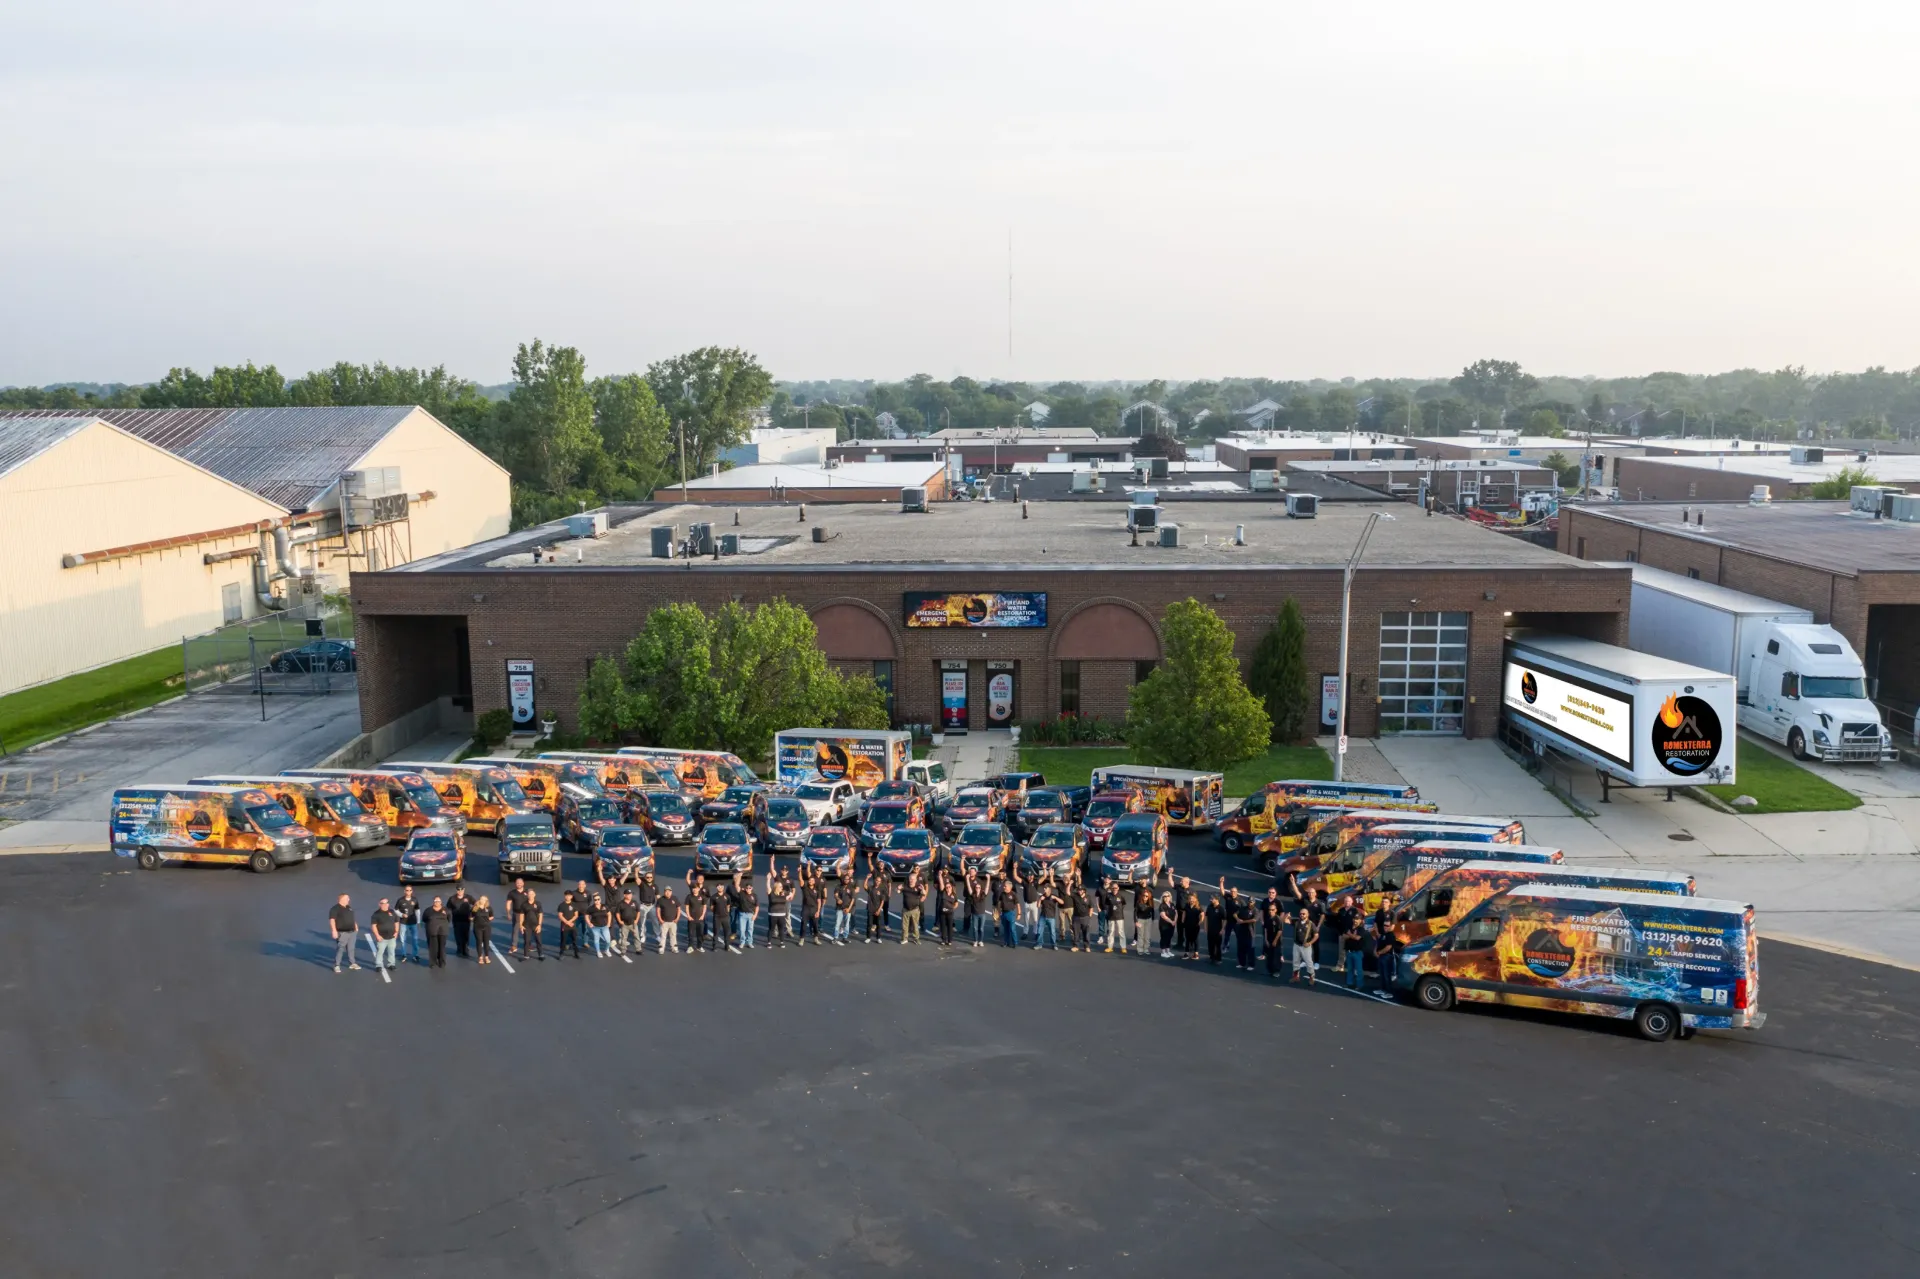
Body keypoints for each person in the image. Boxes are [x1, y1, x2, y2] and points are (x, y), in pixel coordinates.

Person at [328, 894, 360, 972]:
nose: (349, 900)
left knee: (351, 948)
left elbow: (352, 918)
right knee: (341, 948)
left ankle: (352, 963)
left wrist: (355, 926)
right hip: (342, 932)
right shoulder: (335, 909)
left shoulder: (349, 907)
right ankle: (337, 965)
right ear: (341, 899)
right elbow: (332, 920)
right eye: (347, 898)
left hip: (352, 932)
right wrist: (334, 930)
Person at [395, 886, 422, 965]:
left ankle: (415, 955)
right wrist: (401, 915)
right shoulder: (400, 900)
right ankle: (404, 955)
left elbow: (417, 910)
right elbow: (396, 910)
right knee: (403, 940)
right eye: (407, 890)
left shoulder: (415, 900)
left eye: (410, 890)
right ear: (404, 891)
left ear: (412, 891)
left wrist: (418, 921)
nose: (408, 892)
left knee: (415, 939)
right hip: (403, 923)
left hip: (413, 922)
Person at [369, 898, 398, 974]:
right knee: (380, 952)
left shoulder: (392, 912)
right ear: (379, 904)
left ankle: (391, 964)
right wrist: (377, 935)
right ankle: (379, 965)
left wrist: (396, 932)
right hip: (382, 937)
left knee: (391, 951)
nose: (385, 905)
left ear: (388, 904)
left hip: (392, 937)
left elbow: (396, 922)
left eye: (386, 903)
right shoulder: (376, 914)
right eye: (382, 903)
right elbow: (374, 926)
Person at [1291, 908, 1317, 985]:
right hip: (1296, 945)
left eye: (1303, 914)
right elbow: (1286, 921)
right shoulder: (1296, 922)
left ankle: (1311, 978)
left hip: (1306, 946)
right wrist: (1286, 917)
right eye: (1300, 914)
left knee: (1309, 963)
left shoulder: (1311, 924)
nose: (1302, 915)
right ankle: (1296, 977)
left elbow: (1316, 935)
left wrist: (1310, 943)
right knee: (1295, 961)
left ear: (1307, 914)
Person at [1233, 892, 1259, 971]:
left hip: (1250, 932)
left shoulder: (1255, 911)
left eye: (1251, 902)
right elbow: (1234, 914)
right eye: (1249, 901)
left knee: (1250, 949)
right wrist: (1237, 919)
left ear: (1254, 902)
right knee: (1241, 948)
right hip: (1241, 931)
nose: (1249, 903)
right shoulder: (1243, 908)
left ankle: (1251, 964)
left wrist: (1243, 921)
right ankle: (1242, 963)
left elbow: (1254, 920)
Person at [732, 873, 757, 952]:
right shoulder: (742, 894)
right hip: (742, 914)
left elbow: (757, 906)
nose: (748, 889)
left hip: (751, 914)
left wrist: (755, 915)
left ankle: (750, 942)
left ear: (752, 888)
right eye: (747, 888)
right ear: (745, 889)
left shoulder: (754, 896)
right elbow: (736, 885)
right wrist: (739, 876)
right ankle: (742, 942)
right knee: (742, 930)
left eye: (750, 888)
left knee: (750, 930)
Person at [518, 888, 545, 962]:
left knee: (538, 940)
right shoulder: (524, 904)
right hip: (527, 926)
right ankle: (526, 956)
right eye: (529, 894)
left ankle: (541, 955)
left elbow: (540, 915)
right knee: (527, 941)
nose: (531, 895)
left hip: (536, 925)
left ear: (535, 895)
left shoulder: (538, 903)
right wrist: (521, 925)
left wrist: (539, 925)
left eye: (532, 894)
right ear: (527, 895)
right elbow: (521, 915)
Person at [424, 896, 450, 969]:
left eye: (438, 901)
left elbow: (449, 919)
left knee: (442, 947)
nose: (437, 902)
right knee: (433, 948)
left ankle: (442, 962)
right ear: (433, 902)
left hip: (443, 931)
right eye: (435, 901)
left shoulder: (446, 910)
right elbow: (424, 919)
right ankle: (433, 962)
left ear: (441, 902)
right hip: (432, 931)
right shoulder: (428, 910)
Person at [448, 886, 475, 959]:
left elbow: (476, 905)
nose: (460, 891)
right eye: (458, 889)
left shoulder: (469, 897)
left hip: (466, 919)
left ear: (464, 890)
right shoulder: (452, 899)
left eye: (461, 889)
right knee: (458, 935)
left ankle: (465, 950)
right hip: (456, 920)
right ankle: (459, 949)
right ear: (456, 890)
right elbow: (448, 908)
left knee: (466, 935)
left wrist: (473, 914)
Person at [684, 877, 710, 953]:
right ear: (692, 890)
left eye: (696, 888)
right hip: (691, 918)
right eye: (693, 889)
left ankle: (699, 946)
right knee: (691, 934)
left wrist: (702, 916)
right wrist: (688, 916)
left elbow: (705, 907)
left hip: (700, 919)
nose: (695, 890)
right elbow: (687, 907)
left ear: (699, 889)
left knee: (700, 934)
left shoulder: (702, 897)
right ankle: (690, 947)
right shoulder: (689, 897)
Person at [1016, 864, 1040, 943]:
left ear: (1033, 876)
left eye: (1031, 876)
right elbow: (1016, 877)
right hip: (1026, 904)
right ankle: (1025, 933)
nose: (1030, 877)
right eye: (1028, 876)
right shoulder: (1024, 882)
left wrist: (1044, 869)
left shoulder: (1035, 883)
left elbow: (1043, 878)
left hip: (1034, 904)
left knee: (1035, 919)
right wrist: (1014, 868)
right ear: (1027, 876)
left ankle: (1036, 933)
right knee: (1026, 919)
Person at [767, 871, 791, 948]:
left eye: (782, 887)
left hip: (781, 915)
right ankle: (769, 942)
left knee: (781, 929)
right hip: (773, 915)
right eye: (780, 887)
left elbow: (790, 894)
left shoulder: (783, 894)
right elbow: (768, 887)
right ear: (776, 887)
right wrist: (768, 879)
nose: (782, 888)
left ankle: (782, 942)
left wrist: (788, 893)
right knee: (771, 929)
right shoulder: (771, 893)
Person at [799, 867, 823, 945]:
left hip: (814, 909)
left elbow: (819, 901)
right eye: (809, 880)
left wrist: (818, 911)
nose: (810, 881)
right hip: (806, 908)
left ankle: (816, 938)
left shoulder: (817, 890)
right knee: (803, 924)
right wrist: (799, 872)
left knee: (815, 925)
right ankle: (801, 939)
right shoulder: (805, 888)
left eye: (812, 880)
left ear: (814, 882)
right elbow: (801, 880)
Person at [1102, 881, 1127, 953]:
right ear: (1111, 888)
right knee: (1111, 932)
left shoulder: (1121, 895)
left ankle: (1123, 947)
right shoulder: (1108, 895)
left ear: (1118, 888)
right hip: (1111, 916)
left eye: (1116, 888)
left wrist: (1119, 910)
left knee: (1121, 932)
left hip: (1119, 916)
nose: (1114, 889)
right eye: (1113, 888)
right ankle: (1110, 947)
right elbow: (1106, 904)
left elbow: (1124, 904)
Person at [900, 872, 925, 945]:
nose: (911, 880)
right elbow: (898, 891)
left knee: (915, 926)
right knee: (905, 926)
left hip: (915, 910)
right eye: (910, 879)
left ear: (916, 880)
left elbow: (924, 893)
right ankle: (904, 938)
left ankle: (916, 939)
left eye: (913, 879)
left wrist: (923, 889)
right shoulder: (905, 886)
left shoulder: (918, 887)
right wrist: (898, 888)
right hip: (905, 909)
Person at [556, 892, 583, 959]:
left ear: (571, 896)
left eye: (569, 896)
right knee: (563, 940)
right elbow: (560, 916)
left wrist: (570, 922)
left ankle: (576, 953)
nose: (568, 897)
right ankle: (561, 953)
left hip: (573, 926)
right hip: (564, 926)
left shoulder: (574, 905)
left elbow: (576, 915)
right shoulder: (561, 905)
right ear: (564, 896)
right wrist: (567, 922)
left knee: (574, 940)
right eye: (566, 895)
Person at [506, 878, 530, 954]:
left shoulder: (528, 892)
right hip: (517, 914)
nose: (519, 884)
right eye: (517, 883)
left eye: (520, 883)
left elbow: (532, 901)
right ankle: (514, 946)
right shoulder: (512, 893)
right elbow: (508, 903)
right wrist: (508, 913)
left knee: (528, 929)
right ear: (515, 884)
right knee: (516, 929)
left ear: (523, 883)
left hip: (527, 913)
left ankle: (528, 945)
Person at [614, 890, 642, 956]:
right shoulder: (620, 903)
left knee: (637, 937)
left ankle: (638, 949)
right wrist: (620, 921)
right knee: (624, 938)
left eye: (630, 894)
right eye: (628, 894)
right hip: (625, 924)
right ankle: (623, 951)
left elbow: (638, 911)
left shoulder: (634, 902)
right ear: (624, 895)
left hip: (633, 924)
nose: (630, 895)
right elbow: (617, 913)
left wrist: (637, 920)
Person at [864, 870, 889, 943]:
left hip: (877, 910)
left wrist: (879, 910)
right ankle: (868, 937)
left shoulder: (882, 890)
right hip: (870, 909)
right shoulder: (871, 888)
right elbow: (865, 886)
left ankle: (878, 938)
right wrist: (867, 878)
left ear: (880, 882)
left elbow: (882, 901)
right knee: (869, 924)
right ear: (875, 881)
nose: (877, 882)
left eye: (879, 881)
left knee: (878, 925)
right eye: (876, 880)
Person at [996, 873, 1020, 948]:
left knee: (1012, 929)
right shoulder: (1002, 894)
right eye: (1004, 886)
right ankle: (1006, 942)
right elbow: (999, 903)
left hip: (1011, 913)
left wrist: (1019, 913)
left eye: (1005, 886)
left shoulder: (1013, 894)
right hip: (1004, 913)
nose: (1004, 887)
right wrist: (999, 912)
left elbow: (1018, 904)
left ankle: (1015, 943)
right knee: (1006, 929)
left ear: (1009, 887)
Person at [1263, 902, 1286, 979]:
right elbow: (1265, 929)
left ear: (1275, 910)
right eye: (1269, 910)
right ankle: (1270, 970)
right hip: (1269, 939)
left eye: (1272, 910)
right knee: (1269, 956)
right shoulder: (1268, 918)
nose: (1271, 911)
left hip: (1276, 941)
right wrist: (1265, 939)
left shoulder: (1278, 919)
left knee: (1276, 956)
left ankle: (1276, 971)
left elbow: (1280, 931)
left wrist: (1275, 940)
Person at [635, 872, 658, 950]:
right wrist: (636, 872)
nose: (649, 878)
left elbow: (658, 896)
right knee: (643, 922)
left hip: (652, 906)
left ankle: (657, 935)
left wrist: (663, 904)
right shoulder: (642, 884)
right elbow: (637, 879)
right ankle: (643, 935)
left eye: (650, 877)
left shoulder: (655, 886)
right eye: (647, 877)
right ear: (645, 878)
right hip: (643, 905)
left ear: (652, 878)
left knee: (655, 921)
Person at [1036, 881, 1061, 950]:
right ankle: (1039, 944)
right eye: (1044, 888)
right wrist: (1040, 900)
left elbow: (1062, 902)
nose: (1044, 889)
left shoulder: (1053, 896)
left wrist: (1055, 898)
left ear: (1049, 889)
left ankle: (1054, 945)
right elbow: (1038, 906)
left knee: (1052, 932)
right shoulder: (1042, 896)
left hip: (1051, 917)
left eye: (1045, 888)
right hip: (1043, 916)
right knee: (1039, 931)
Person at [934, 871, 957, 947]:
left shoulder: (954, 895)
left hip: (950, 913)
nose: (948, 888)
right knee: (943, 927)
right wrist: (940, 876)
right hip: (942, 913)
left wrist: (953, 908)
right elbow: (941, 884)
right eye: (946, 887)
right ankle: (944, 940)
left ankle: (949, 940)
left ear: (951, 887)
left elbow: (956, 903)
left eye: (949, 887)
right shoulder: (943, 892)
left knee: (950, 927)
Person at [655, 888, 682, 954]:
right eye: (666, 891)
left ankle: (674, 948)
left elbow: (679, 908)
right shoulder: (660, 900)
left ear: (671, 892)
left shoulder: (675, 898)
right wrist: (660, 919)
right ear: (664, 892)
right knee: (663, 936)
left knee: (673, 935)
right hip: (664, 922)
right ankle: (661, 949)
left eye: (669, 891)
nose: (667, 893)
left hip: (673, 922)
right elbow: (658, 910)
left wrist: (677, 918)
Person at [1132, 882, 1155, 956]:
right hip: (1140, 920)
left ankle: (1146, 949)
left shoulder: (1150, 903)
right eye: (1144, 896)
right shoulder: (1139, 903)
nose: (1145, 897)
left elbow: (1153, 911)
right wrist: (1136, 922)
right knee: (1140, 935)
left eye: (1147, 896)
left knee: (1147, 936)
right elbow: (1135, 912)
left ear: (1149, 897)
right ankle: (1140, 949)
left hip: (1148, 920)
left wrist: (1152, 919)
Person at [833, 874, 856, 945]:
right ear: (843, 879)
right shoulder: (838, 886)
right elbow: (835, 895)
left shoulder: (851, 888)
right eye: (845, 879)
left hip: (847, 909)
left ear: (849, 880)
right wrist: (838, 899)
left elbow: (853, 899)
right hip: (839, 908)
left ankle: (844, 937)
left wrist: (849, 909)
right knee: (837, 923)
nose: (846, 880)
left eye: (848, 879)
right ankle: (835, 938)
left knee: (846, 924)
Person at [1178, 892, 1202, 960]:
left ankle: (1196, 954)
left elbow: (1202, 914)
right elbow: (1184, 913)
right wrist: (1182, 921)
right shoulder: (1187, 905)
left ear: (1195, 899)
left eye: (1192, 898)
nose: (1191, 900)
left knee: (1195, 939)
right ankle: (1186, 953)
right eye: (1189, 898)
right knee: (1187, 939)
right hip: (1187, 925)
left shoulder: (1198, 906)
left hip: (1195, 926)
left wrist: (1200, 922)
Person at [1204, 895, 1227, 966]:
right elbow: (1206, 917)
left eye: (1212, 899)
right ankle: (1212, 957)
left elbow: (1225, 920)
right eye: (1210, 898)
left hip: (1218, 930)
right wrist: (1205, 927)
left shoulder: (1221, 909)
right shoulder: (1209, 907)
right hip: (1210, 929)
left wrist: (1222, 929)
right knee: (1210, 944)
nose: (1210, 900)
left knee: (1217, 945)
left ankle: (1218, 958)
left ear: (1217, 900)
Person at [473, 896, 495, 964]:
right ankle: (480, 957)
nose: (482, 900)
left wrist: (487, 920)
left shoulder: (489, 908)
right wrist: (475, 919)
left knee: (486, 942)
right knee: (479, 941)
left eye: (484, 899)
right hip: (477, 927)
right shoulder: (475, 908)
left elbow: (492, 916)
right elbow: (471, 917)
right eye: (481, 899)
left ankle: (486, 957)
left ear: (486, 901)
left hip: (487, 927)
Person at [1157, 891, 1177, 958]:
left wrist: (1175, 921)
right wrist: (1171, 921)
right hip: (1164, 924)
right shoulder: (1162, 905)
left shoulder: (1172, 904)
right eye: (1164, 896)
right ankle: (1163, 952)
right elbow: (1163, 916)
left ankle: (1168, 951)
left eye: (1167, 896)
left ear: (1170, 897)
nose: (1166, 898)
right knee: (1164, 938)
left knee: (1169, 937)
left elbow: (1176, 913)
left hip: (1171, 924)